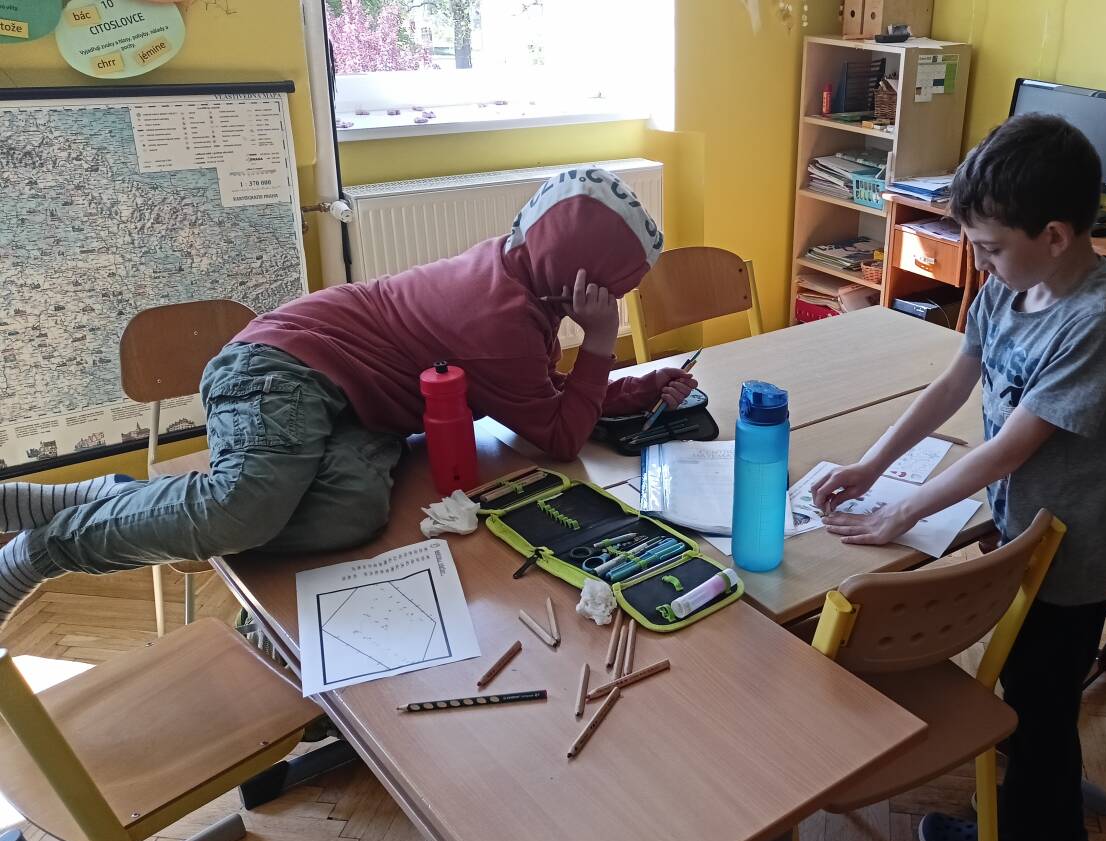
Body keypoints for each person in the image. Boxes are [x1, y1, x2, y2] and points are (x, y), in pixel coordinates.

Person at [0, 167, 695, 629]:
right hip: (283, 368)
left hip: (358, 414)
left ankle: (119, 499)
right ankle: (45, 550)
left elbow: (543, 399)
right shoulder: (500, 319)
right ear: (578, 272)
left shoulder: (520, 279)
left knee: (354, 513)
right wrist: (599, 343)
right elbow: (560, 436)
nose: (617, 302)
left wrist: (640, 388)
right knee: (244, 509)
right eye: (615, 288)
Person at [811, 115, 1106, 841]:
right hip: (1020, 534)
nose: (979, 261)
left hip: (1069, 559)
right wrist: (872, 464)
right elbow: (954, 383)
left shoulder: (1101, 320)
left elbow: (1009, 450)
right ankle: (1026, 801)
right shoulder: (1008, 287)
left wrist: (902, 513)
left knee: (1041, 713)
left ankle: (1041, 826)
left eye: (990, 247)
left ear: (1054, 237)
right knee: (1031, 700)